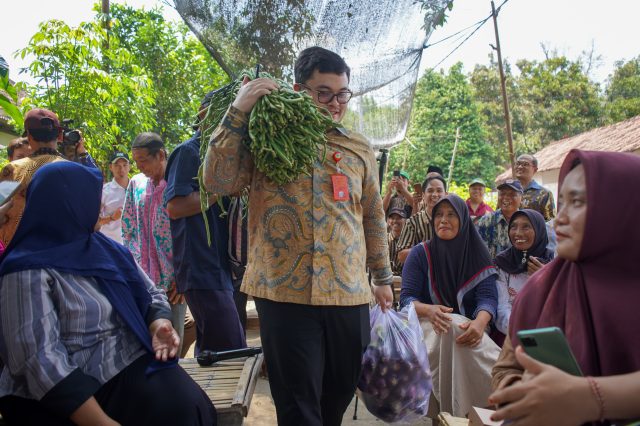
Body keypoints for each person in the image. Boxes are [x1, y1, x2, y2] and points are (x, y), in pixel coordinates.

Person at [203, 46, 393, 426]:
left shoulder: (358, 148)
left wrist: (383, 276)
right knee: (296, 405)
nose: (335, 103)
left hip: (348, 294)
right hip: (283, 294)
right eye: (324, 93)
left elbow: (372, 214)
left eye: (342, 94)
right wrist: (239, 109)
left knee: (337, 394)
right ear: (297, 89)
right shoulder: (264, 134)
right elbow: (217, 180)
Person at [0, 161, 216, 426]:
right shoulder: (25, 270)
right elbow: (38, 359)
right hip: (78, 395)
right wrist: (100, 422)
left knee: (189, 408)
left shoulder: (102, 248)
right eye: (92, 200)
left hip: (130, 364)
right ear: (68, 203)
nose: (99, 208)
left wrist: (158, 322)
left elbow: (150, 292)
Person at [490, 150, 640, 425]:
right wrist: (523, 392)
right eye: (562, 203)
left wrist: (590, 398)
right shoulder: (541, 288)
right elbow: (505, 367)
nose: (560, 219)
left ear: (623, 207)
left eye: (579, 202)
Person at [400, 194, 500, 418]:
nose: (443, 220)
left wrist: (479, 323)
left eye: (451, 214)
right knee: (449, 326)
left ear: (464, 220)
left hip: (470, 329)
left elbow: (488, 299)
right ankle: (461, 413)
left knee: (453, 328)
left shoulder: (477, 254)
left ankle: (451, 415)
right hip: (427, 329)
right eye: (439, 215)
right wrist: (429, 309)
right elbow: (406, 300)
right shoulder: (420, 254)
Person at [164, 94, 246, 354]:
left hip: (219, 267)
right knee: (231, 348)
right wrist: (222, 189)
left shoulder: (223, 156)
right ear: (203, 115)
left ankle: (204, 396)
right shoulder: (189, 152)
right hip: (201, 266)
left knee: (214, 349)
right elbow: (175, 207)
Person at [122, 132, 188, 355]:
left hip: (173, 284)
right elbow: (128, 229)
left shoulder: (179, 184)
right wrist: (133, 269)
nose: (139, 166)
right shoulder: (135, 184)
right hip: (143, 282)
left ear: (160, 154)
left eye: (143, 160)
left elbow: (190, 234)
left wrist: (183, 276)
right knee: (143, 342)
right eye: (136, 161)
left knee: (172, 343)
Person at [0, 108, 97, 246]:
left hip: (18, 257)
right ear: (59, 136)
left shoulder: (13, 170)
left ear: (29, 136)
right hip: (64, 255)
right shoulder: (77, 171)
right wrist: (82, 152)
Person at [493, 209, 554, 336]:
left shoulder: (554, 263)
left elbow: (562, 305)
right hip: (510, 333)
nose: (518, 233)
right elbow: (502, 308)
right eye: (513, 227)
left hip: (547, 333)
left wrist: (545, 279)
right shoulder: (502, 263)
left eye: (526, 227)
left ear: (539, 230)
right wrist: (520, 334)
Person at [395, 174, 447, 263]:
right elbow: (401, 256)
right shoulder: (413, 222)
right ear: (423, 195)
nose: (435, 195)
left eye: (439, 191)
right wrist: (427, 248)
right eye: (430, 191)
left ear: (446, 194)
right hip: (420, 274)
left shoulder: (452, 221)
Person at [475, 178, 523, 259]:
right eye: (502, 194)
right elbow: (477, 250)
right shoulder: (486, 221)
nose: (506, 197)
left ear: (521, 198)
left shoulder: (527, 222)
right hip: (491, 270)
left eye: (512, 194)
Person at [97, 151, 130, 244]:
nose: (121, 169)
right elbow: (94, 222)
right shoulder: (104, 191)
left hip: (134, 248)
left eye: (124, 165)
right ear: (111, 167)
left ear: (129, 166)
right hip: (111, 245)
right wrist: (112, 218)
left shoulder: (137, 188)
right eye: (117, 165)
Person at [514, 154, 556, 221]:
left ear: (535, 169)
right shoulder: (507, 191)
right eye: (517, 163)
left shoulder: (544, 194)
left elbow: (550, 223)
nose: (520, 167)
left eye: (525, 164)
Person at [387, 207, 407, 276]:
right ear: (388, 221)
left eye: (399, 218)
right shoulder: (383, 239)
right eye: (392, 218)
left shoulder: (409, 241)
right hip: (385, 279)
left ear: (405, 221)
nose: (395, 221)